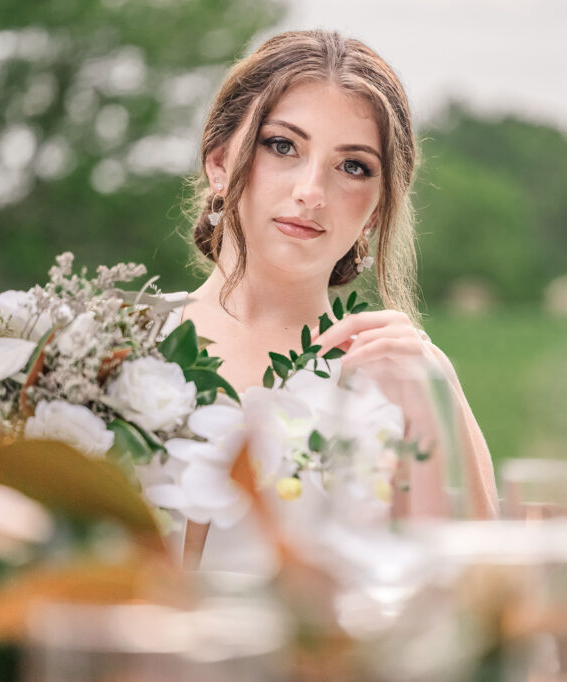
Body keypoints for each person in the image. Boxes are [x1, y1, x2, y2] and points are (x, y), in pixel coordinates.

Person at [175, 29, 497, 569]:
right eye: (282, 146)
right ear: (218, 163)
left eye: (352, 166)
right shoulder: (105, 348)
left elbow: (487, 608)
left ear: (375, 208)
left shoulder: (401, 380)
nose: (311, 191)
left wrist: (434, 396)